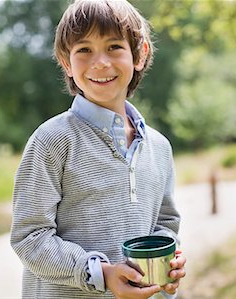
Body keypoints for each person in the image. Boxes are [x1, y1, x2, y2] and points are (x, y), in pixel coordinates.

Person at [10, 1, 186, 298]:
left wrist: (170, 260)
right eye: (84, 50)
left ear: (139, 54)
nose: (100, 62)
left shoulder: (159, 147)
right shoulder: (52, 141)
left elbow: (165, 224)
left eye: (114, 47)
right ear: (66, 62)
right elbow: (29, 238)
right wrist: (101, 274)